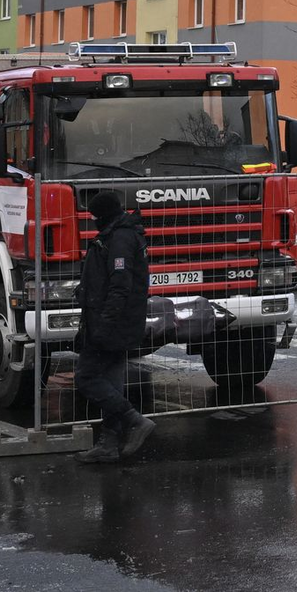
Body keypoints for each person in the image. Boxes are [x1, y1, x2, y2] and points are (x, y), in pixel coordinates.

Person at [74, 190, 155, 464]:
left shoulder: (119, 238)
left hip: (111, 324)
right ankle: (108, 444)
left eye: (95, 216)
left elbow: (120, 286)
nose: (93, 220)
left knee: (85, 377)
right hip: (115, 322)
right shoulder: (118, 233)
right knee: (111, 382)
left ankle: (135, 420)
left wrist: (103, 327)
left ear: (104, 215)